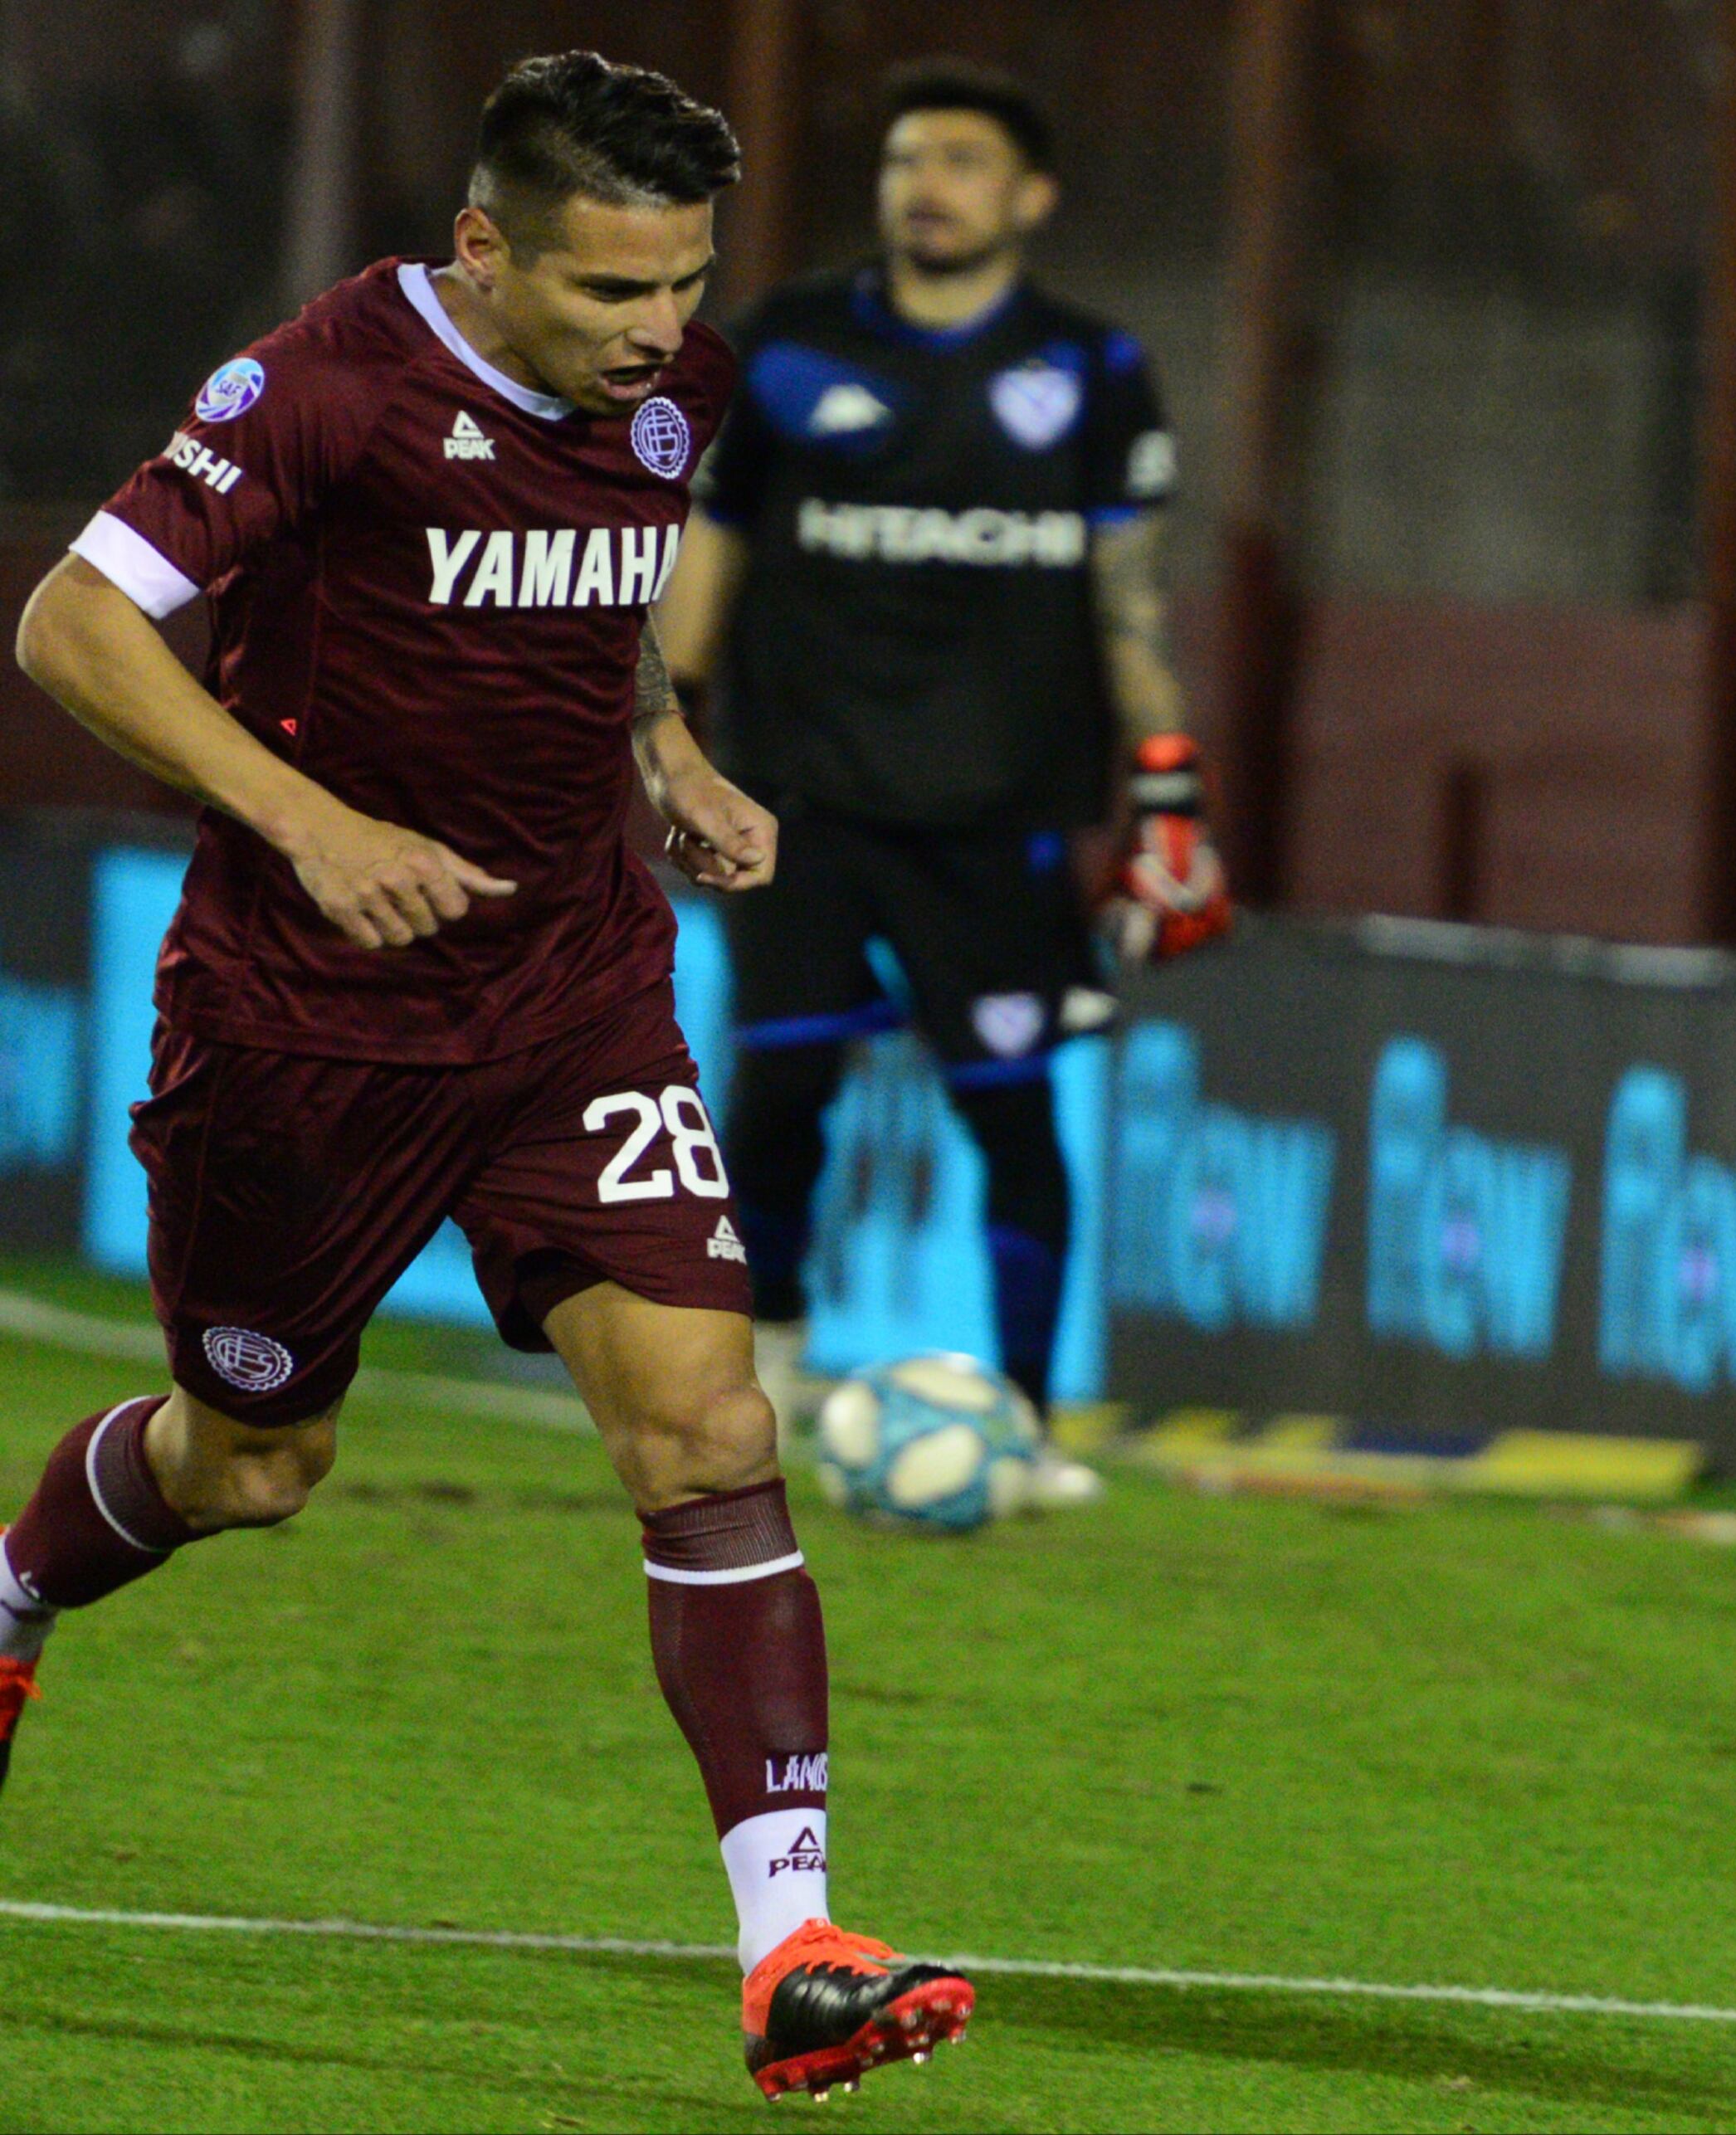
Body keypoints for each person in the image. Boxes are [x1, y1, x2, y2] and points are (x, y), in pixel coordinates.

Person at [0, 52, 970, 2102]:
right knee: (252, 1465)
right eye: (613, 292)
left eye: (685, 286)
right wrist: (308, 825)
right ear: (481, 251)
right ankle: (12, 1592)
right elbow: (74, 627)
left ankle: (790, 1942)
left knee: (709, 1428)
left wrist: (668, 754)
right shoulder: (322, 390)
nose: (658, 335)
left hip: (571, 1003)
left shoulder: (676, 395)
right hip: (300, 1023)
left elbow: (608, 605)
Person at [652, 59, 1225, 1460]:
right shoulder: (781, 344)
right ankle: (765, 1367)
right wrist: (663, 744)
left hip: (1001, 814)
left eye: (964, 161)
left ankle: (1022, 1423)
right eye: (908, 158)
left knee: (1012, 1117)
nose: (929, 185)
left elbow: (1128, 599)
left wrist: (1169, 788)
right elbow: (702, 567)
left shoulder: (1093, 370)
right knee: (781, 1093)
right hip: (800, 803)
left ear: (1029, 196)